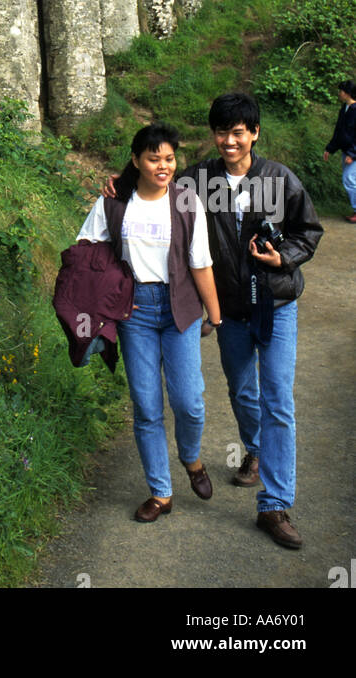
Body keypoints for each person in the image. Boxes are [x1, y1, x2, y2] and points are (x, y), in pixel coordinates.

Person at [104, 91, 323, 549]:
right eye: (221, 132)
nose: (228, 141)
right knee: (243, 391)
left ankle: (275, 505)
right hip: (230, 310)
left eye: (238, 133)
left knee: (278, 399)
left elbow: (309, 231)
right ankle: (256, 451)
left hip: (277, 304)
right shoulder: (197, 180)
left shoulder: (280, 180)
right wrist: (119, 183)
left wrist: (284, 257)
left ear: (254, 133)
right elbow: (153, 181)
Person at [78, 123, 221, 523]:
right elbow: (87, 251)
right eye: (154, 158)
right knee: (146, 406)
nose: (163, 166)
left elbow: (201, 263)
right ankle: (160, 492)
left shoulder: (187, 202)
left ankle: (191, 459)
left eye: (169, 158)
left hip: (180, 308)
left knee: (189, 402)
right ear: (137, 160)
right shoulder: (114, 202)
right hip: (134, 311)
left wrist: (216, 314)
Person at [322, 80, 356, 223]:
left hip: (352, 152)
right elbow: (339, 132)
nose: (339, 93)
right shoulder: (345, 108)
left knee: (349, 179)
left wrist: (352, 154)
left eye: (341, 91)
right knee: (351, 180)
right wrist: (330, 148)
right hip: (346, 151)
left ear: (347, 92)